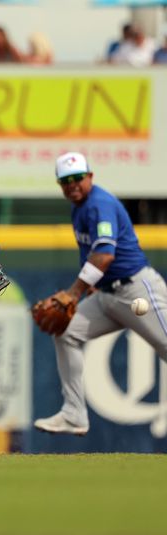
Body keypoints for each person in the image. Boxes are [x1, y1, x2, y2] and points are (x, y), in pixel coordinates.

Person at [33, 153, 167, 435]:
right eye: (66, 181)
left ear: (90, 176)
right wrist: (89, 287)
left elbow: (105, 255)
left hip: (136, 290)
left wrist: (74, 293)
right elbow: (94, 257)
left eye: (77, 178)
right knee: (66, 331)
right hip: (107, 296)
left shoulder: (99, 204)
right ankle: (74, 415)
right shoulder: (79, 208)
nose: (72, 185)